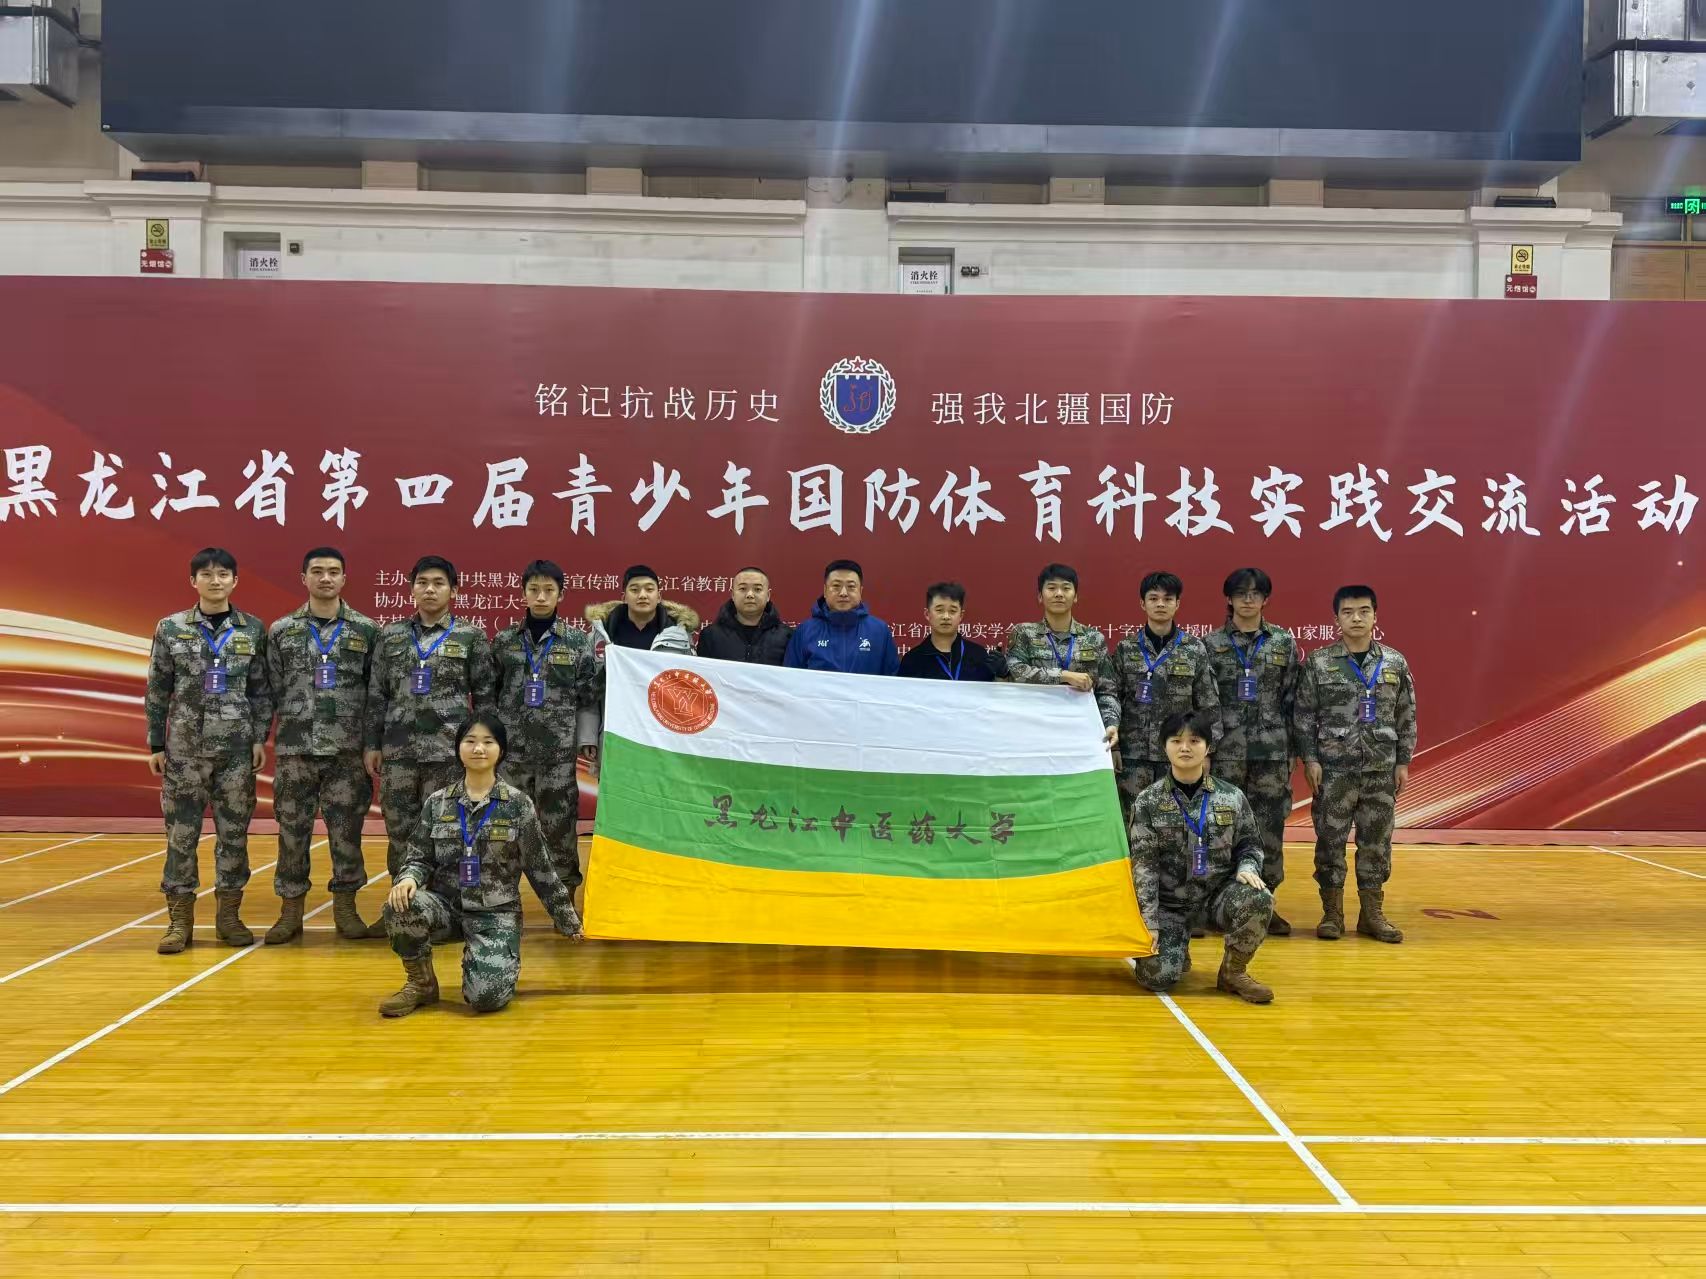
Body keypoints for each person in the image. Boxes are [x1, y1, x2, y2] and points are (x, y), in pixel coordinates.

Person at [378, 714, 582, 1018]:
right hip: (447, 907)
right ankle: (421, 983)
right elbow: (419, 856)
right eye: (470, 741)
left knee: (486, 998)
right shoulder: (438, 802)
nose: (478, 749)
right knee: (400, 904)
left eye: (488, 742)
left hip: (495, 913)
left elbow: (540, 868)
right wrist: (408, 878)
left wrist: (567, 920)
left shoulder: (518, 805)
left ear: (501, 750)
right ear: (458, 748)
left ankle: (486, 960)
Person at [145, 547, 273, 954]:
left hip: (236, 753)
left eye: (222, 574)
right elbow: (157, 688)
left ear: (235, 580)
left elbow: (261, 690)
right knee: (181, 836)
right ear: (193, 581)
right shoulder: (171, 628)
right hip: (184, 752)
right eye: (206, 574)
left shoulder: (253, 629)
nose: (215, 581)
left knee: (233, 836)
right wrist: (156, 743)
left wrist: (259, 738)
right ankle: (179, 922)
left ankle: (229, 918)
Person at [363, 555, 496, 937]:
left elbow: (485, 698)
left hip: (448, 756)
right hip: (399, 754)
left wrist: (482, 751)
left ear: (453, 590)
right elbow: (377, 695)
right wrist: (372, 744)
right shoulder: (390, 636)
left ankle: (446, 914)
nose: (430, 589)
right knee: (400, 834)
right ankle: (401, 912)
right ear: (412, 589)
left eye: (439, 583)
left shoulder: (470, 636)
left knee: (449, 834)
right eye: (422, 582)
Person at [263, 546, 381, 944]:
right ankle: (290, 912)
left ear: (344, 578)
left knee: (346, 834)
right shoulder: (282, 630)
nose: (325, 578)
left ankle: (346, 910)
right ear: (304, 578)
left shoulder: (366, 630)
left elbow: (376, 694)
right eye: (317, 571)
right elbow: (269, 690)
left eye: (333, 571)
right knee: (291, 833)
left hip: (347, 753)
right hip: (295, 751)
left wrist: (372, 743)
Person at [1292, 584, 1416, 944]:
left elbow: (1406, 714)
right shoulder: (1319, 662)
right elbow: (1304, 715)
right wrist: (1310, 759)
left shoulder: (1394, 662)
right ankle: (1332, 914)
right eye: (1348, 612)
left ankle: (1371, 914)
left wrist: (1403, 761)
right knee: (1330, 841)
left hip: (1381, 768)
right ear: (1336, 619)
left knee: (1376, 842)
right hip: (1333, 770)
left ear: (1376, 616)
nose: (1356, 618)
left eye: (1364, 611)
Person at [1127, 711, 1276, 1004]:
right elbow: (1144, 867)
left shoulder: (1231, 797)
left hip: (1215, 899)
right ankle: (1175, 949)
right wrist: (1149, 922)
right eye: (1176, 741)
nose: (1185, 747)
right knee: (1157, 978)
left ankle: (1233, 973)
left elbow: (1250, 844)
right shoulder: (1148, 801)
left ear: (1208, 747)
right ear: (1164, 747)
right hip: (1169, 905)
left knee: (1260, 898)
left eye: (1194, 741)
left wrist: (1247, 866)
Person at [490, 560, 598, 901]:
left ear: (560, 595)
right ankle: (501, 900)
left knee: (559, 829)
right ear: (523, 594)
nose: (540, 596)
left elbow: (588, 696)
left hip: (558, 757)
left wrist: (586, 740)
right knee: (504, 828)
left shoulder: (576, 642)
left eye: (548, 590)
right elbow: (490, 694)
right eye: (534, 589)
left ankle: (563, 901)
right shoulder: (504, 641)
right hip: (512, 756)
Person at [1204, 567, 1302, 936]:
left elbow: (1293, 700)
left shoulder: (1283, 642)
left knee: (1268, 828)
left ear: (1265, 599)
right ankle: (1219, 904)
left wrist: (1293, 749)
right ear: (1228, 599)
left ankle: (1265, 903)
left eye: (1256, 593)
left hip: (1271, 755)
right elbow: (1206, 701)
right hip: (1225, 753)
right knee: (1221, 828)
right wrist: (1206, 749)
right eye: (1241, 593)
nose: (1248, 600)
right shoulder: (1211, 645)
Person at [1110, 572, 1220, 803]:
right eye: (1153, 598)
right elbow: (1112, 699)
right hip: (1132, 758)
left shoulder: (1194, 648)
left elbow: (1208, 705)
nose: (1160, 604)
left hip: (1181, 756)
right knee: (1133, 818)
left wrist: (1206, 752)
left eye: (1168, 599)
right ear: (1143, 603)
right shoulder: (1125, 648)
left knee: (1179, 816)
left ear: (1177, 603)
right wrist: (1115, 748)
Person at [1003, 563, 1119, 746]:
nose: (1059, 594)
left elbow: (1107, 691)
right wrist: (1063, 676)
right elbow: (1017, 673)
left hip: (1082, 732)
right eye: (1051, 588)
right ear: (1040, 596)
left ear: (1076, 596)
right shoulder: (1024, 633)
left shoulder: (1094, 638)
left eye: (1066, 588)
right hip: (1033, 731)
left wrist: (1110, 724)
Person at [783, 559, 900, 675]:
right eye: (836, 586)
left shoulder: (879, 631)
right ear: (825, 591)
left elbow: (893, 679)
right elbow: (790, 678)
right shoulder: (805, 631)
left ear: (860, 591)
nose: (843, 593)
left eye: (851, 587)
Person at [897, 582, 1006, 681]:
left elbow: (994, 694)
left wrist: (1002, 674)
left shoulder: (979, 655)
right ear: (927, 614)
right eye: (939, 610)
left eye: (952, 611)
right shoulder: (912, 660)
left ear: (961, 615)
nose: (946, 616)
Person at [585, 565, 698, 654]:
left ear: (659, 597)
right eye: (635, 590)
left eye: (649, 589)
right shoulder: (601, 634)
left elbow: (689, 672)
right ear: (624, 598)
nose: (642, 595)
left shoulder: (679, 634)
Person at [697, 566, 792, 663]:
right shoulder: (711, 635)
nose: (750, 595)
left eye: (757, 589)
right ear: (733, 594)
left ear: (768, 595)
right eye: (743, 589)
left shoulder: (786, 636)